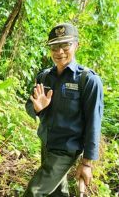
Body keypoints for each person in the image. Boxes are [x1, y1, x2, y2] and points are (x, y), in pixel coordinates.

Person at [24, 23, 103, 197]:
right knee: (57, 193)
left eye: (65, 45)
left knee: (34, 192)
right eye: (54, 46)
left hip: (66, 149)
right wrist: (37, 108)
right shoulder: (44, 76)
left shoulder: (87, 80)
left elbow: (93, 124)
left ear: (76, 45)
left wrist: (87, 163)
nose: (59, 52)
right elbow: (29, 106)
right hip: (46, 144)